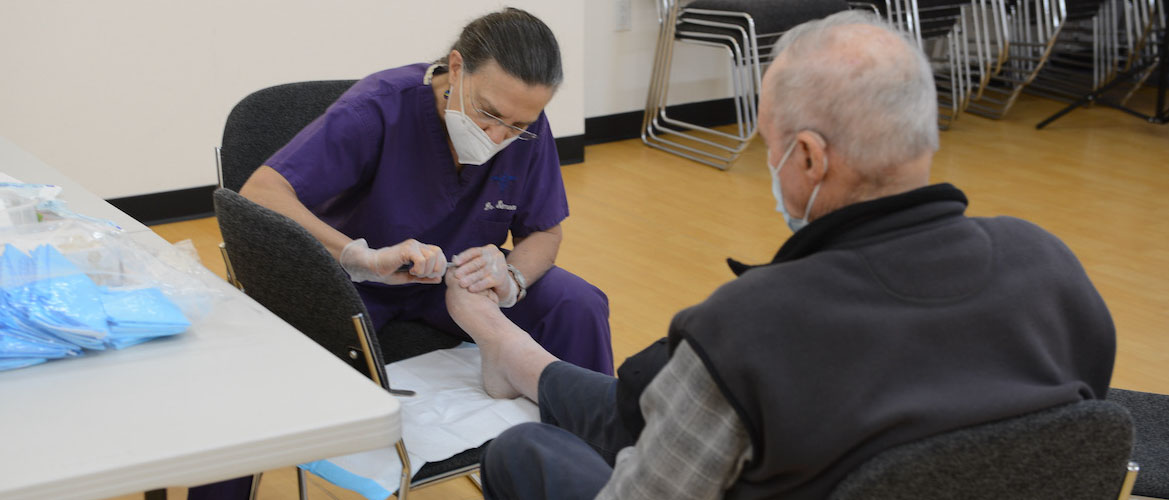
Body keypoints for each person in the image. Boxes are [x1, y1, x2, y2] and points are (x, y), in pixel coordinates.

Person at [443, 10, 1117, 500]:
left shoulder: (749, 328)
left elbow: (649, 480)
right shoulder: (1048, 266)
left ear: (808, 158)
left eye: (768, 145)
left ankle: (514, 357)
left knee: (524, 449)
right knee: (641, 399)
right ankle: (523, 360)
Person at [236, 8, 613, 375]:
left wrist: (511, 277)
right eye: (488, 113)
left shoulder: (527, 124)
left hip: (457, 284)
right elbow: (261, 192)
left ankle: (596, 434)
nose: (498, 136)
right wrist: (362, 258)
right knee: (300, 358)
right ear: (456, 67)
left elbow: (544, 229)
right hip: (359, 281)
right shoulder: (379, 108)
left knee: (577, 304)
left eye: (516, 126)